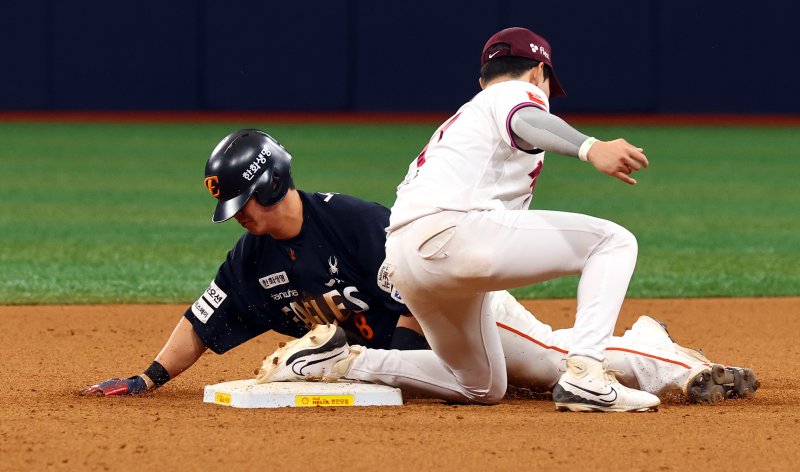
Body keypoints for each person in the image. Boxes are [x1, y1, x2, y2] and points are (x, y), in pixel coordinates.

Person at [255, 26, 751, 412]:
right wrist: (590, 146)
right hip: (454, 235)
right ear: (539, 74)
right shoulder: (512, 95)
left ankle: (345, 360)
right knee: (613, 242)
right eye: (546, 82)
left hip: (407, 263)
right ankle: (587, 373)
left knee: (480, 384)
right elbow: (524, 119)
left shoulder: (466, 115)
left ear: (481, 77)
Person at [78, 128, 758, 404]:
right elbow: (203, 319)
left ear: (270, 185)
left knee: (551, 361)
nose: (242, 217)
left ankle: (680, 366)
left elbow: (419, 296)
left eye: (244, 203)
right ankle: (647, 340)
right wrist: (148, 376)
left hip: (461, 313)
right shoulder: (251, 260)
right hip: (431, 354)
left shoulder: (352, 221)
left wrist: (412, 368)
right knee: (519, 382)